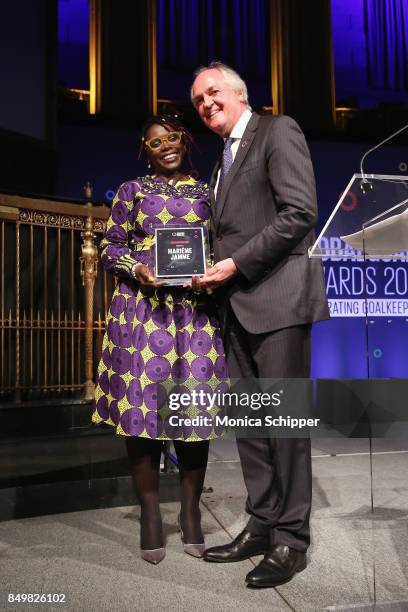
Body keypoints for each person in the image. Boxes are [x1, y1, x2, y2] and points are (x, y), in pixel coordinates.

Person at [191, 62, 329, 587]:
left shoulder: (278, 131)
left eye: (212, 92)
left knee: (286, 427)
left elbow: (298, 213)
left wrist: (234, 265)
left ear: (239, 93)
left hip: (277, 305)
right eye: (198, 100)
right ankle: (263, 521)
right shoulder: (220, 164)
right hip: (235, 307)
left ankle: (292, 539)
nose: (205, 103)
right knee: (250, 427)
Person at [92, 115, 227, 565]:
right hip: (142, 316)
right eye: (154, 143)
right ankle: (151, 512)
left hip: (194, 314)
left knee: (192, 411)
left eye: (171, 139)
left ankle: (190, 511)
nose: (164, 147)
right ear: (144, 150)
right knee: (143, 413)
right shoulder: (131, 191)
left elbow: (223, 246)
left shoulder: (208, 192)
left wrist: (212, 275)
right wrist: (138, 269)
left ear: (185, 142)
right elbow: (111, 247)